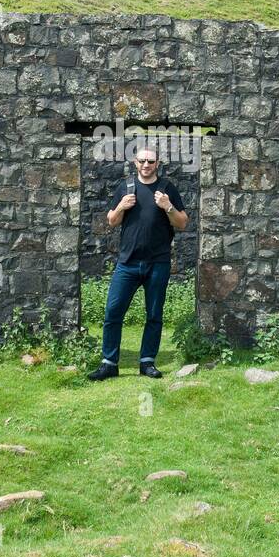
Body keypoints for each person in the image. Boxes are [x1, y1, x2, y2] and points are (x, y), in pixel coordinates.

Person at [87, 146, 188, 381]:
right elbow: (111, 221)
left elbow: (182, 222)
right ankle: (109, 363)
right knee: (113, 312)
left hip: (158, 263)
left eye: (150, 161)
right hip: (128, 263)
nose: (146, 165)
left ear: (157, 163)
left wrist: (168, 206)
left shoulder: (167, 189)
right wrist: (121, 206)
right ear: (135, 162)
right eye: (142, 160)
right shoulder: (126, 186)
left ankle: (147, 362)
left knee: (154, 314)